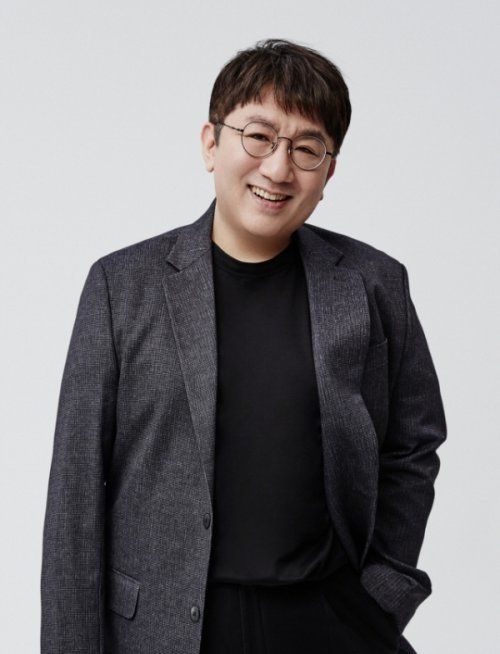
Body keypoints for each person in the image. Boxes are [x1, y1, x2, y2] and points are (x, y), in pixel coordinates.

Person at [40, 38, 447, 654]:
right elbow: (76, 491)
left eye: (306, 148)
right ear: (211, 143)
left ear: (329, 172)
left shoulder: (373, 284)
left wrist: (382, 596)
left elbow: (413, 442)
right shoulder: (122, 287)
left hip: (331, 622)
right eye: (258, 137)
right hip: (167, 631)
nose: (278, 169)